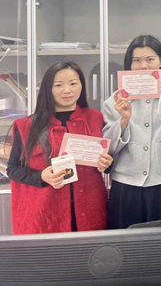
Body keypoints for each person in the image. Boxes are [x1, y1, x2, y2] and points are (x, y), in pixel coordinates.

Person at [8, 61, 112, 234]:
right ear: (48, 89)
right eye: (58, 85)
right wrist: (41, 176)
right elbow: (13, 169)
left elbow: (107, 161)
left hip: (90, 212)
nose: (67, 90)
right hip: (44, 217)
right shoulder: (27, 125)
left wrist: (107, 164)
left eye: (73, 83)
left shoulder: (95, 118)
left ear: (81, 86)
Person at [103, 35, 161, 229]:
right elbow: (107, 148)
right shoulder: (116, 99)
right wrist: (123, 121)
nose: (143, 66)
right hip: (126, 183)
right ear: (129, 64)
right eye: (136, 60)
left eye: (150, 59)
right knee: (128, 241)